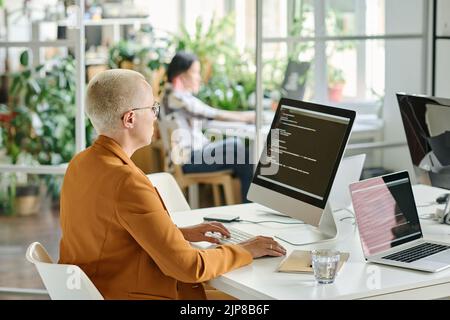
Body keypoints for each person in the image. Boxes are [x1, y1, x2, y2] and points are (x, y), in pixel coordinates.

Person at [58, 69, 286, 300]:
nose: (156, 116)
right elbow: (188, 267)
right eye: (152, 109)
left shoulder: (80, 163)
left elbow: (113, 236)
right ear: (130, 119)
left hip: (99, 289)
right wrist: (245, 250)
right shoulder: (127, 181)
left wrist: (178, 235)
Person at [162, 52, 255, 203]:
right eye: (196, 72)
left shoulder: (171, 96)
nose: (199, 77)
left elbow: (203, 116)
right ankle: (250, 208)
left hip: (190, 157)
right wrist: (247, 117)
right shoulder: (176, 97)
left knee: (239, 149)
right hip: (189, 161)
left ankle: (247, 205)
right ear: (182, 75)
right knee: (241, 153)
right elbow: (211, 113)